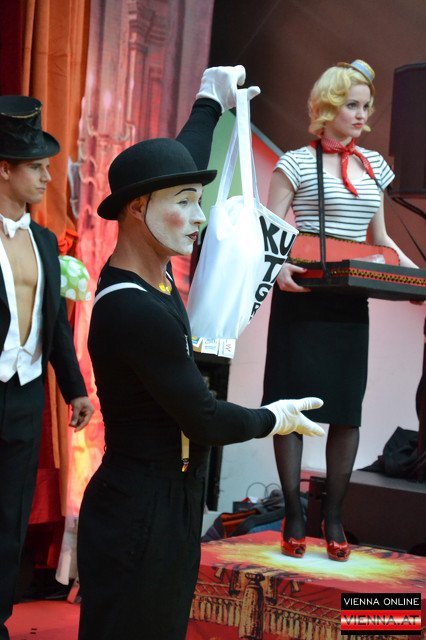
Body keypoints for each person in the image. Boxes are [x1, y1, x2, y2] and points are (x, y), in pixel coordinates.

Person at [77, 65, 325, 640]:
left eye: (199, 201)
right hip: (139, 510)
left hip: (166, 499)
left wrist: (209, 101)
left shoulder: (152, 262)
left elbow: (177, 163)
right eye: (186, 204)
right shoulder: (133, 309)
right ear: (137, 208)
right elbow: (205, 419)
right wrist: (274, 417)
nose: (199, 217)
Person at [262, 59, 418, 562]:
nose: (362, 114)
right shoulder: (294, 162)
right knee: (291, 408)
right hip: (303, 298)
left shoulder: (373, 166)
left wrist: (415, 274)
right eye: (352, 105)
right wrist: (276, 268)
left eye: (366, 106)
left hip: (349, 302)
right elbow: (267, 230)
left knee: (346, 412)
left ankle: (332, 516)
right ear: (327, 107)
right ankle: (293, 512)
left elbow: (380, 238)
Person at [0, 96, 94, 640]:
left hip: (25, 393)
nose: (47, 177)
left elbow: (54, 322)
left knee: (9, 516)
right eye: (37, 167)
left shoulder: (42, 239)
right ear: (5, 169)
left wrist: (75, 388)